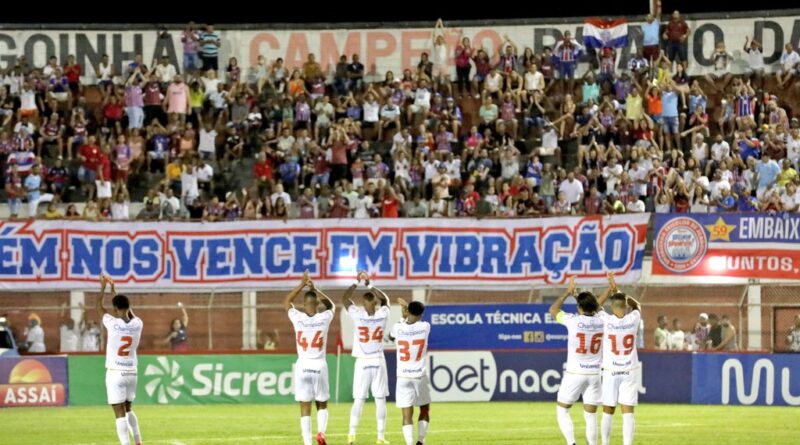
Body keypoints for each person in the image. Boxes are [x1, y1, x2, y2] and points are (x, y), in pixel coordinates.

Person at [549, 277, 603, 445]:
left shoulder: (573, 321)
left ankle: (572, 443)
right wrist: (609, 289)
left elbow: (553, 310)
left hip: (575, 373)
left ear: (579, 307)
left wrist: (568, 293)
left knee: (562, 410)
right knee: (591, 414)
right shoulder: (602, 320)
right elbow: (597, 306)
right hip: (594, 374)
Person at [285, 270, 335, 445]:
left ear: (304, 305)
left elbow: (287, 302)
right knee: (322, 403)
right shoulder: (324, 317)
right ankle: (321, 432)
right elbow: (331, 306)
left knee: (304, 405)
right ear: (316, 304)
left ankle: (307, 443)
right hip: (319, 365)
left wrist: (302, 284)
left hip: (302, 366)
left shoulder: (297, 317)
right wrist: (316, 289)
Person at [343, 271, 391, 445]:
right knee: (380, 400)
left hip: (362, 362)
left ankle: (351, 435)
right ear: (375, 303)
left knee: (359, 400)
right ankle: (380, 437)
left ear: (363, 303)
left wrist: (356, 283)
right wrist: (369, 284)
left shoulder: (357, 314)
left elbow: (344, 299)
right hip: (378, 360)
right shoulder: (382, 314)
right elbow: (386, 299)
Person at [96, 274, 143, 445]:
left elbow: (98, 307)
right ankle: (138, 441)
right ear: (129, 307)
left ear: (115, 309)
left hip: (116, 373)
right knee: (129, 409)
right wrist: (114, 291)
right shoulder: (138, 323)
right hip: (132, 372)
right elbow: (127, 312)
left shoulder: (112, 323)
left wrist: (103, 287)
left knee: (119, 413)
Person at [596, 273, 641, 445]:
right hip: (629, 370)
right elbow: (637, 305)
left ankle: (605, 443)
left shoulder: (606, 320)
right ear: (625, 306)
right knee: (628, 412)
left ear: (613, 307)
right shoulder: (633, 318)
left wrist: (610, 290)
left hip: (610, 370)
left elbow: (595, 306)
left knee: (608, 410)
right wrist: (619, 291)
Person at [389, 298, 431, 445]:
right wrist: (407, 312)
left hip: (403, 377)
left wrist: (403, 316)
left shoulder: (398, 327)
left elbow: (390, 337)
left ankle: (409, 443)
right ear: (421, 314)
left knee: (407, 415)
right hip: (419, 376)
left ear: (408, 312)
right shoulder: (425, 326)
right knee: (424, 410)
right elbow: (415, 321)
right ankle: (420, 440)